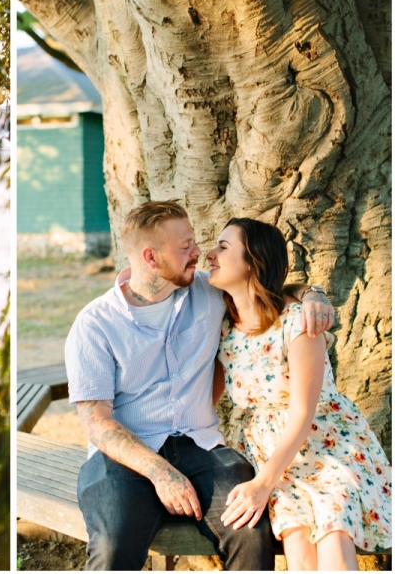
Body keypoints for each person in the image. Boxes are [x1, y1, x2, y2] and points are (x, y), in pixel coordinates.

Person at [65, 200, 335, 571]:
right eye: (185, 247)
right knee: (113, 547)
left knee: (251, 532)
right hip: (125, 458)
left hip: (203, 448)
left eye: (194, 242)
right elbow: (96, 422)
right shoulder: (95, 324)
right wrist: (160, 472)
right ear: (151, 257)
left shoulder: (208, 292)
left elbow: (266, 286)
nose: (198, 253)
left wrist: (313, 294)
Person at [206, 217, 392, 570]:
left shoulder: (298, 323)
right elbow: (203, 406)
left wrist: (262, 483)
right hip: (273, 455)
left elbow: (303, 412)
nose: (210, 254)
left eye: (223, 247)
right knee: (295, 534)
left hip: (329, 448)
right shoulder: (225, 334)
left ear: (252, 262)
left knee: (333, 526)